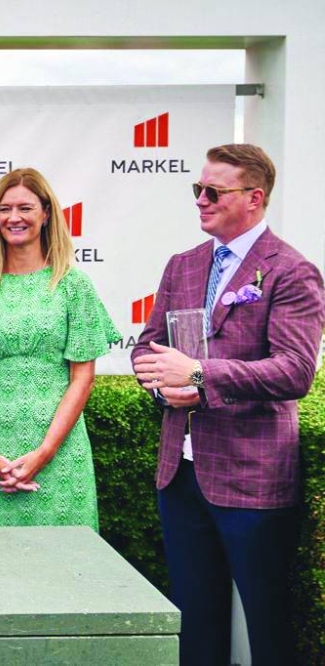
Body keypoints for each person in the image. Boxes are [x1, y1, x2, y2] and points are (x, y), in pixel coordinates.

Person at [131, 144, 325, 665]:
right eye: (198, 189)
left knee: (268, 626)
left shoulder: (291, 271)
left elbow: (295, 371)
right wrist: (158, 383)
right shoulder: (184, 265)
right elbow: (147, 347)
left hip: (252, 477)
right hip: (181, 474)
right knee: (194, 621)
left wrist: (198, 375)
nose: (201, 199)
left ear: (254, 198)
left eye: (214, 191)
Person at [0, 167, 120, 530]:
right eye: (5, 209)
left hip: (60, 452)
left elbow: (82, 377)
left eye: (25, 208)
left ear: (46, 213)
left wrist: (46, 451)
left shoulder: (73, 286)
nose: (14, 217)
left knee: (68, 567)